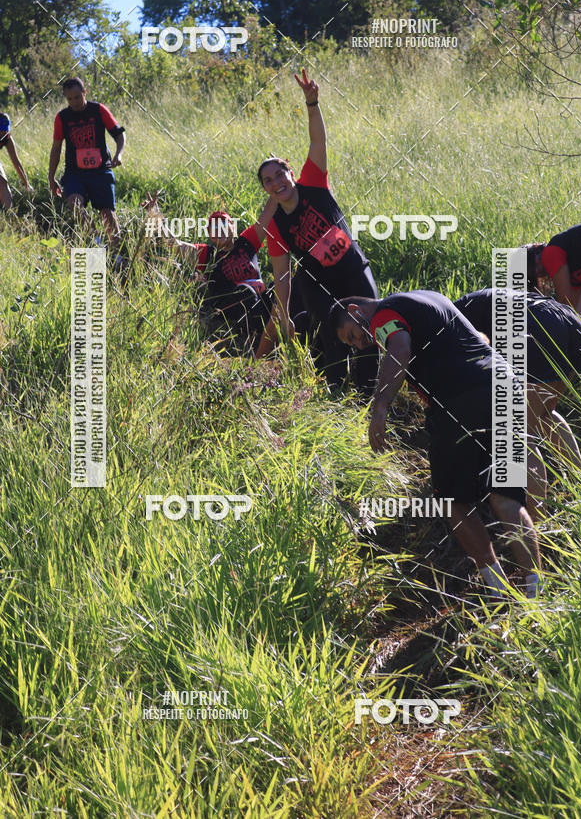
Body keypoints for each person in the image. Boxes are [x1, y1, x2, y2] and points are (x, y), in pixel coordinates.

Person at [330, 290, 542, 599]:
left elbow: (399, 350)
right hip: (504, 386)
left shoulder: (383, 315)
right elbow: (480, 338)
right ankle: (538, 591)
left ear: (354, 309)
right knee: (506, 497)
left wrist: (380, 406)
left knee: (452, 502)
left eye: (353, 335)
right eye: (353, 344)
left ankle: (498, 591)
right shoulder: (430, 299)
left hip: (460, 399)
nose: (361, 343)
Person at [257, 68, 379, 393]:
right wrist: (283, 313)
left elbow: (318, 140)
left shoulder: (313, 182)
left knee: (370, 328)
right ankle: (335, 394)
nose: (276, 183)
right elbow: (282, 275)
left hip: (352, 269)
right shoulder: (275, 227)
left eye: (279, 175)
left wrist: (312, 103)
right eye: (268, 181)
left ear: (291, 174)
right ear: (267, 190)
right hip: (318, 283)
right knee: (331, 337)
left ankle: (368, 395)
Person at [455, 288, 581, 523]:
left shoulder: (448, 323)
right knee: (545, 415)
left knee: (520, 434)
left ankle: (539, 526)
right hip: (568, 321)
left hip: (538, 327)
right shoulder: (460, 306)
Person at [143, 195, 305, 355]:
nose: (218, 230)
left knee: (290, 285)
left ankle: (302, 333)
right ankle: (268, 343)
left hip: (260, 300)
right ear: (209, 234)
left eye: (222, 225)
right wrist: (155, 215)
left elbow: (268, 213)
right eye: (213, 228)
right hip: (230, 304)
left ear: (232, 227)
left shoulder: (247, 242)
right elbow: (173, 244)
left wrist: (279, 186)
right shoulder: (207, 254)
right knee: (245, 292)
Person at [48, 78, 126, 268]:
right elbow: (56, 148)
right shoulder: (62, 118)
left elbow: (119, 133)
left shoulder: (98, 110)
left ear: (85, 92)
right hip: (75, 173)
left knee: (108, 215)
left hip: (101, 171)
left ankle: (119, 261)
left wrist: (119, 154)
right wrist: (51, 177)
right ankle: (98, 244)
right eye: (69, 99)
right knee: (75, 204)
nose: (74, 102)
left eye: (76, 97)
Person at [525, 222, 581, 343]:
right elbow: (575, 306)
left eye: (533, 261)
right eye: (532, 271)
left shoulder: (549, 253)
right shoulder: (572, 274)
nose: (538, 268)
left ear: (538, 246)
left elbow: (566, 303)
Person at [0, 112, 33, 208]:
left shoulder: (7, 139)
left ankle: (10, 214)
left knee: (3, 183)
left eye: (5, 130)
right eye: (0, 130)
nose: (2, 133)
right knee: (1, 181)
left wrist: (27, 184)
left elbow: (16, 162)